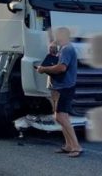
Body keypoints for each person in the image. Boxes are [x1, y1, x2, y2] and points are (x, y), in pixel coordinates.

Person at [36, 27, 83, 158]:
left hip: (65, 87)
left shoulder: (67, 49)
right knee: (62, 117)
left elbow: (62, 68)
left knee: (61, 116)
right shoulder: (63, 49)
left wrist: (43, 68)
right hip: (63, 86)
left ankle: (76, 147)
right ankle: (68, 145)